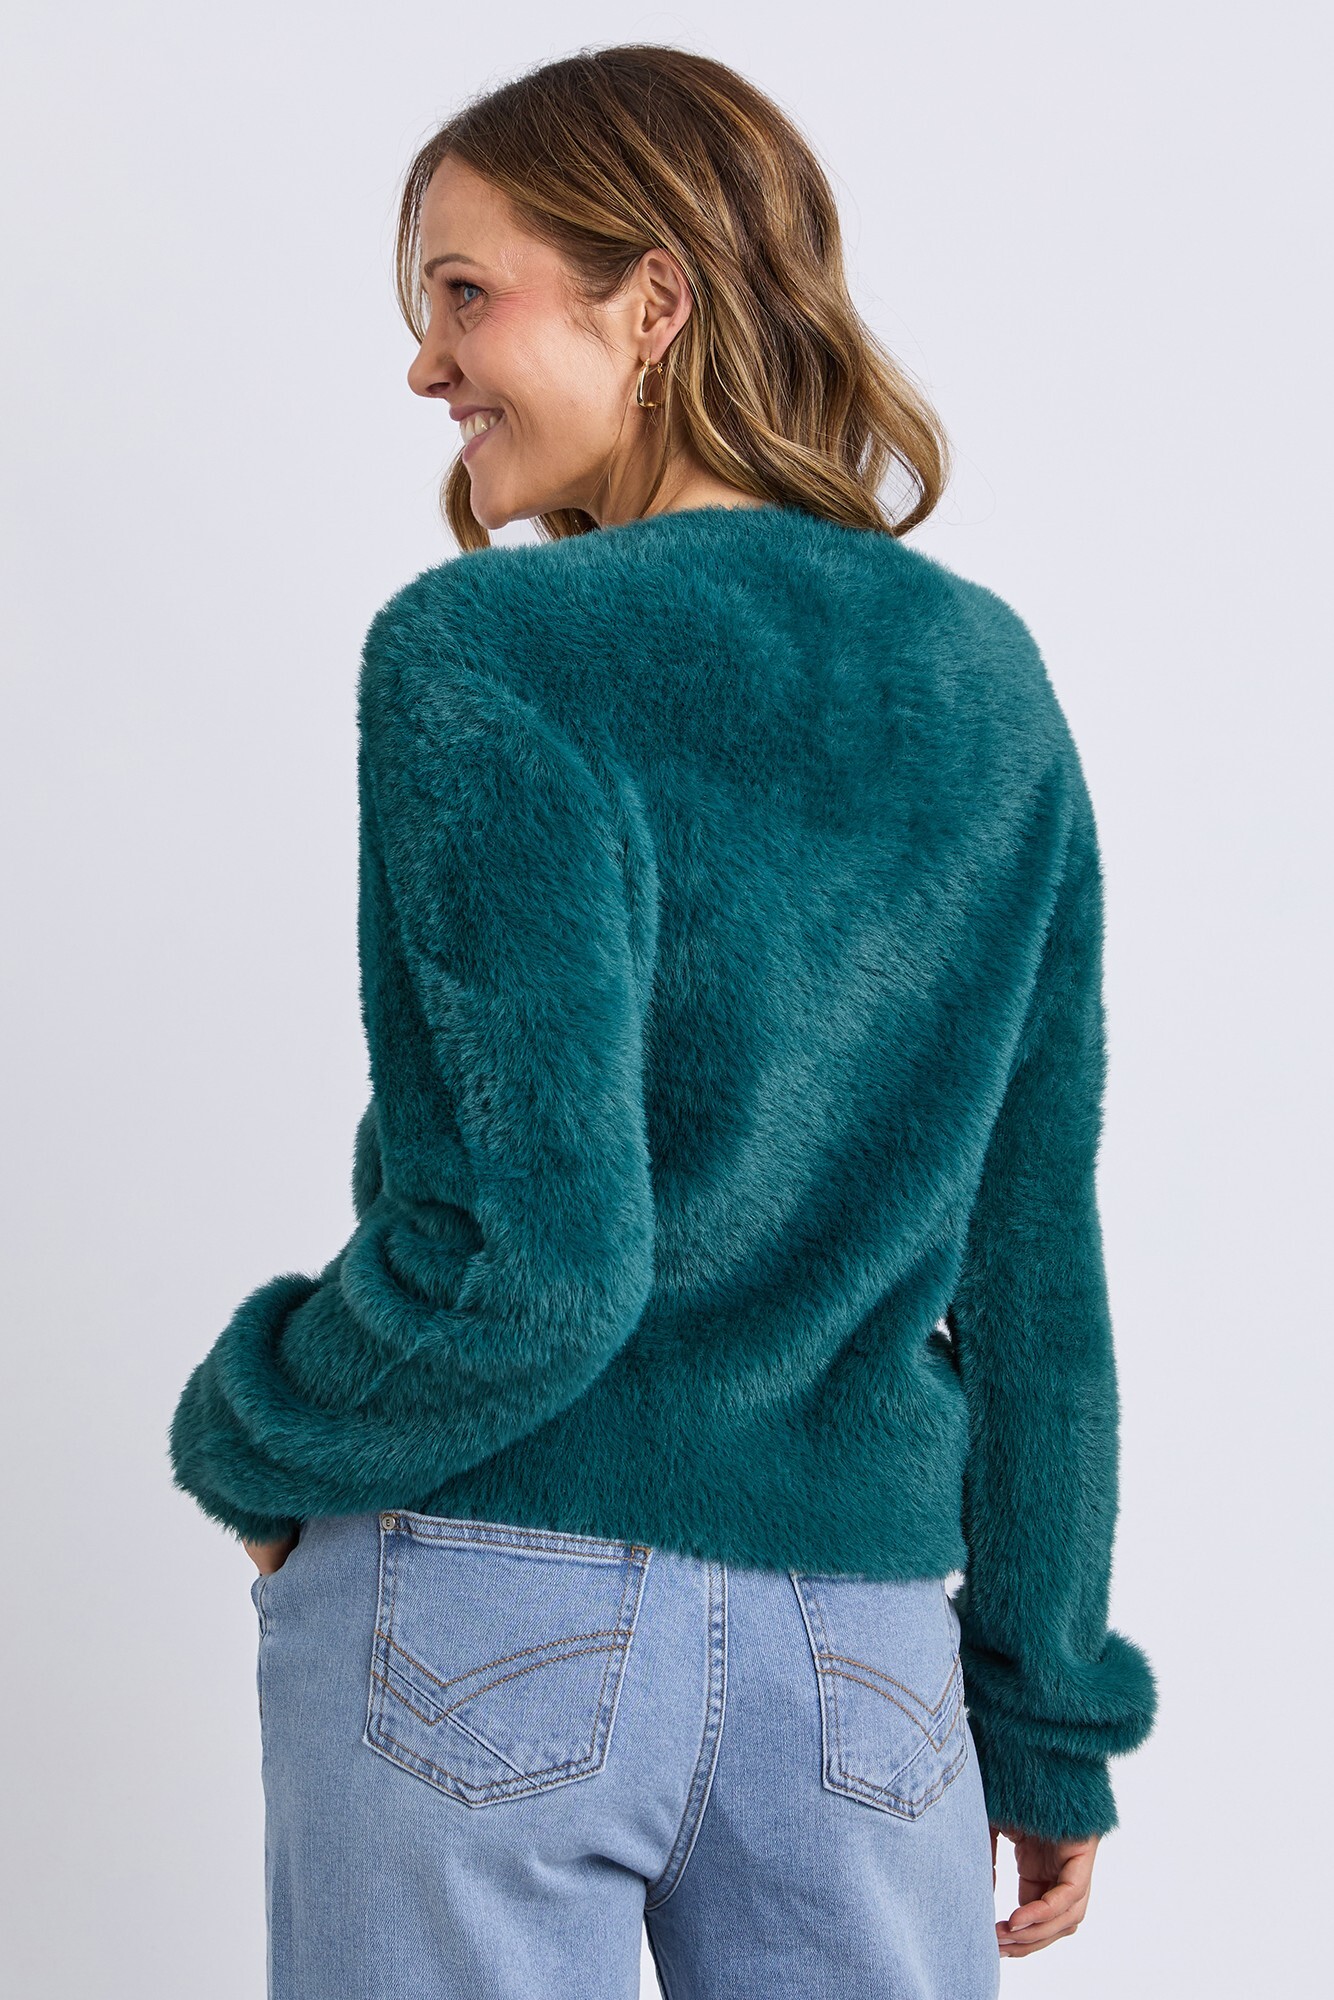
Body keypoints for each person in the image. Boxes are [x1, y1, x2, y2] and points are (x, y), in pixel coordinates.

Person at [168, 43, 1157, 2000]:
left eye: (465, 293)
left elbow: (530, 1261)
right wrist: (1043, 1711)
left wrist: (252, 1429)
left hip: (488, 1603)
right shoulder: (986, 682)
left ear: (655, 300)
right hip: (865, 1664)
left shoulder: (487, 647)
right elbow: (1035, 1274)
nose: (426, 366)